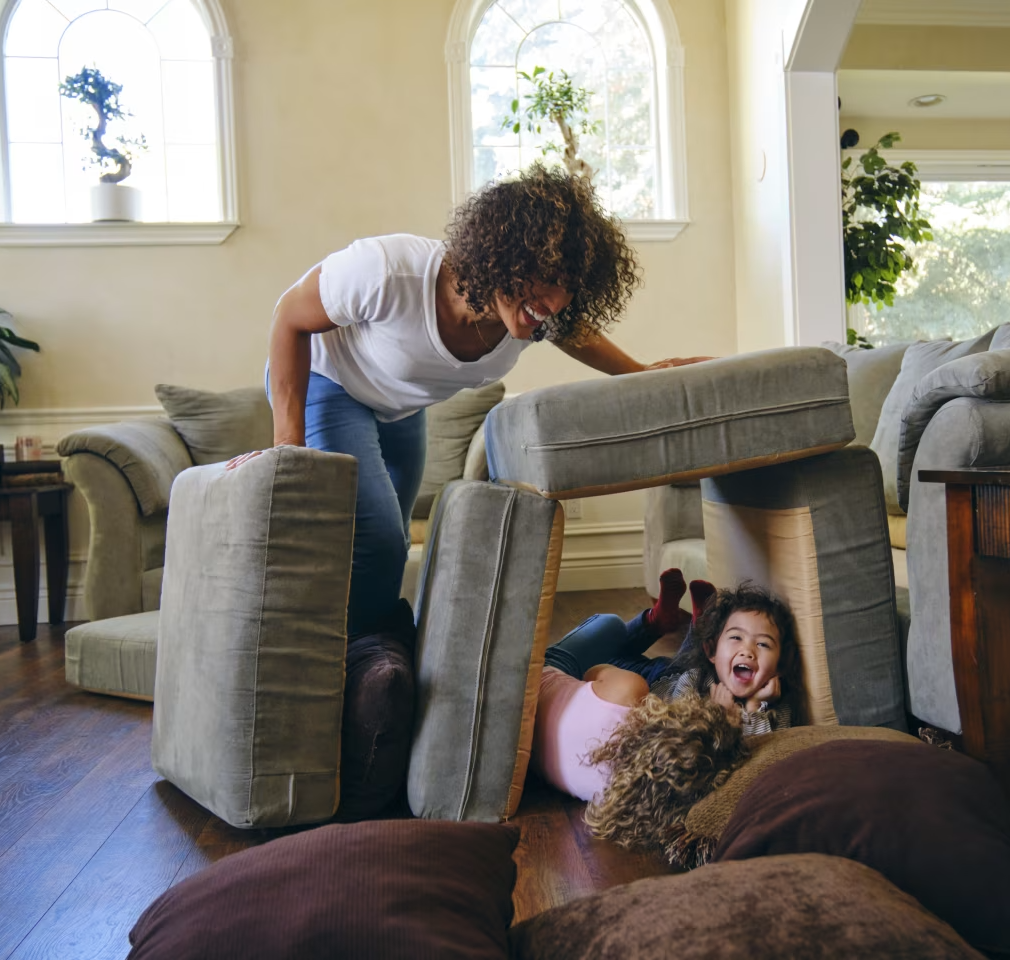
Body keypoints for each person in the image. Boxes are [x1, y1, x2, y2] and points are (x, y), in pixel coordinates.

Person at [233, 165, 709, 636]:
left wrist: (641, 374)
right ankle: (353, 660)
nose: (554, 301)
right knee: (379, 541)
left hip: (399, 407)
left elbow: (577, 335)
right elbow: (289, 317)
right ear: (502, 255)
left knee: (387, 539)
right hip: (328, 380)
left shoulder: (534, 316)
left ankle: (372, 650)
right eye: (544, 279)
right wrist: (287, 447)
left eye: (566, 288)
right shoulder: (388, 271)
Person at [530, 577, 803, 802]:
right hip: (664, 680)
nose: (748, 650)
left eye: (763, 645)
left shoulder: (777, 706)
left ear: (779, 666)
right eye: (736, 638)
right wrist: (717, 713)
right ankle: (687, 622)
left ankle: (678, 621)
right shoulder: (698, 679)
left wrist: (752, 708)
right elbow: (681, 719)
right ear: (713, 651)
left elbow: (761, 752)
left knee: (621, 653)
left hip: (654, 682)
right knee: (629, 657)